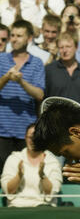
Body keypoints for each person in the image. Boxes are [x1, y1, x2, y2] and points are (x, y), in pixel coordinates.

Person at [0, 20, 45, 174]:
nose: (14, 39)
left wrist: (20, 81)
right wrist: (6, 77)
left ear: (29, 38)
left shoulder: (37, 63)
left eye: (19, 36)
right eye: (12, 35)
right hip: (2, 131)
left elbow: (40, 94)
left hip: (26, 132)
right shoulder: (1, 59)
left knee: (26, 176)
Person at [1, 123, 62, 207]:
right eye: (30, 137)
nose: (33, 140)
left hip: (44, 207)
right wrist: (19, 175)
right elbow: (9, 191)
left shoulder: (52, 161)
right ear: (25, 138)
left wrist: (42, 175)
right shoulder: (14, 158)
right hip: (18, 206)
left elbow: (50, 193)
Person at [45, 32, 80, 112]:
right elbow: (42, 100)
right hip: (56, 122)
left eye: (68, 46)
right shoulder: (49, 70)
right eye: (61, 47)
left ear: (76, 47)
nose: (65, 50)